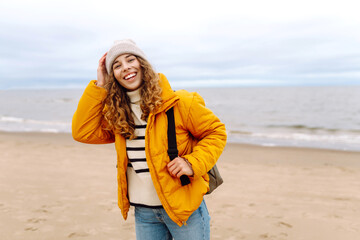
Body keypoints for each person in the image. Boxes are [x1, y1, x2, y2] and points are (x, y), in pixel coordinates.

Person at [72, 39, 227, 240]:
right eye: (116, 65)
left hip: (184, 209)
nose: (125, 67)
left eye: (130, 60)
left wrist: (192, 162)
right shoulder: (118, 114)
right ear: (113, 76)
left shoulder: (179, 103)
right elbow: (82, 131)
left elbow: (216, 132)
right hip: (144, 213)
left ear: (142, 64)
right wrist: (100, 85)